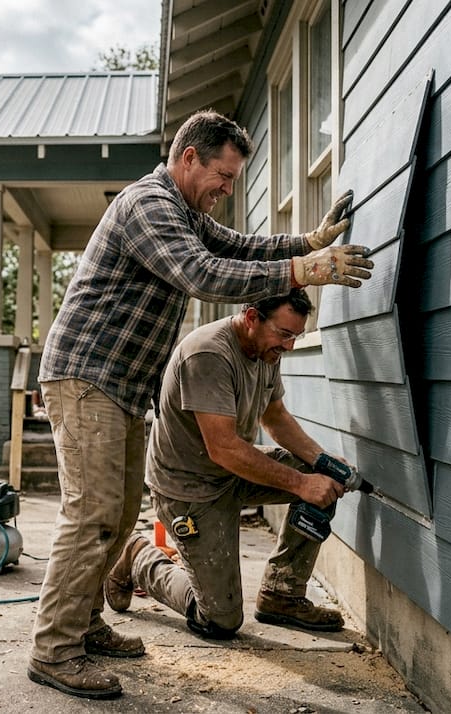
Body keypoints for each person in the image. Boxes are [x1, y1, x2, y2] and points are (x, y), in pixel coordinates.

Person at [28, 110, 374, 700]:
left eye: (235, 179)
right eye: (224, 174)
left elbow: (239, 245)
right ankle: (53, 650)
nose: (228, 188)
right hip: (87, 375)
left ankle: (84, 624)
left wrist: (307, 243)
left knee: (118, 512)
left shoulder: (187, 213)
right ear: (189, 157)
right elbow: (201, 273)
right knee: (93, 514)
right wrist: (303, 269)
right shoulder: (149, 205)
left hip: (121, 385)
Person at [105, 289, 351, 648]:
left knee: (322, 480)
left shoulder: (266, 349)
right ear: (251, 317)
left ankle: (282, 594)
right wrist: (301, 483)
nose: (290, 346)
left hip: (232, 469)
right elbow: (223, 448)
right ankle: (138, 556)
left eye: (296, 336)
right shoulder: (208, 354)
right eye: (284, 334)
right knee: (219, 619)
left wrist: (322, 461)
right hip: (190, 488)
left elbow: (275, 416)